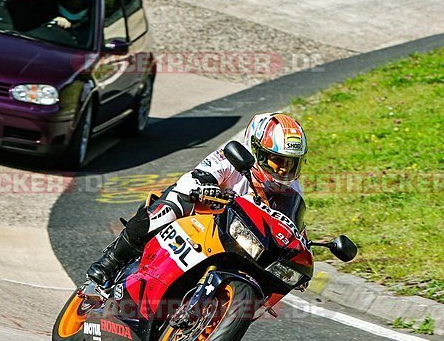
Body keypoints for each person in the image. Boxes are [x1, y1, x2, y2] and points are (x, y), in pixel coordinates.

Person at [87, 112, 309, 286]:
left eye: (290, 163)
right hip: (202, 214)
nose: (282, 170)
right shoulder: (230, 157)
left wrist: (300, 250)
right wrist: (206, 188)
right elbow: (195, 177)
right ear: (256, 150)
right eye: (276, 160)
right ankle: (111, 261)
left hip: (237, 240)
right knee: (170, 205)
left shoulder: (291, 190)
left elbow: (291, 227)